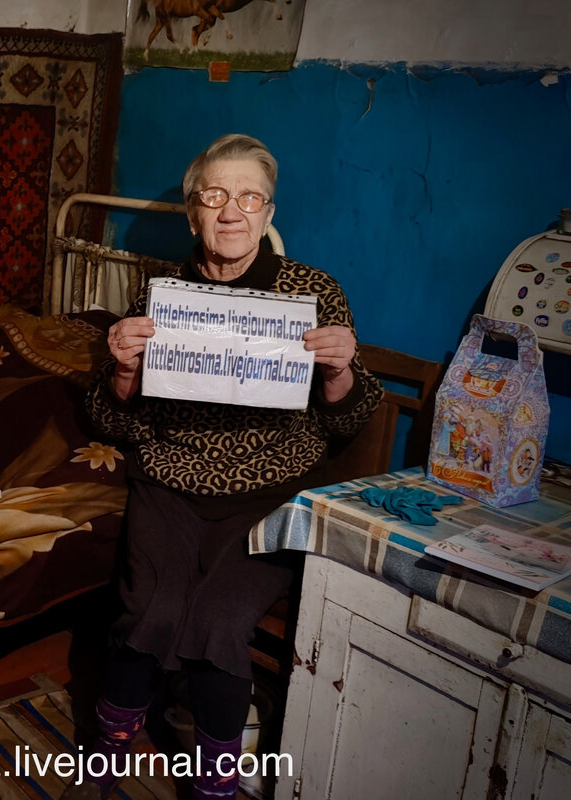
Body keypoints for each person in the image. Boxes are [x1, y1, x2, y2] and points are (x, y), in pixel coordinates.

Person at [67, 134, 383, 800]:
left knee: (219, 620)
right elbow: (112, 423)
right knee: (150, 607)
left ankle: (215, 785)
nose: (232, 211)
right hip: (170, 483)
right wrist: (122, 368)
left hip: (271, 492)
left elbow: (348, 423)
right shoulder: (162, 297)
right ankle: (102, 760)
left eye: (249, 197)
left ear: (268, 214)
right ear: (192, 214)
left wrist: (340, 369)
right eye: (215, 196)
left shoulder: (314, 293)